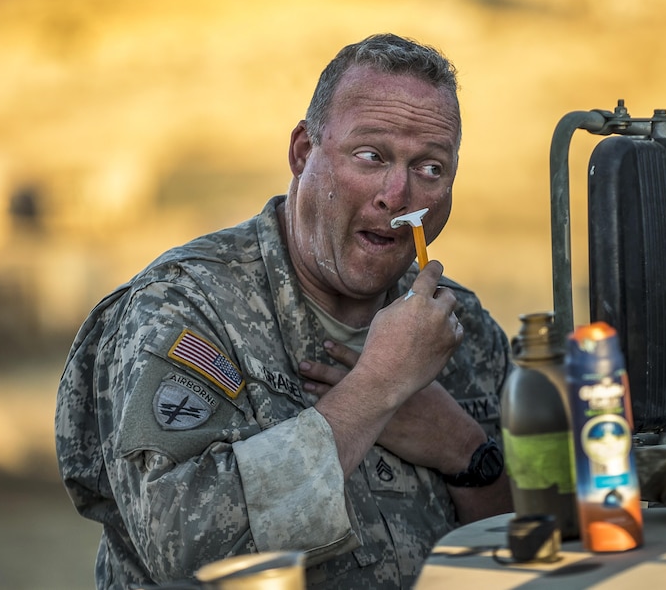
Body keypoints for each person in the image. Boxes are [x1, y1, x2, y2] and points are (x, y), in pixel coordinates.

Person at [55, 33, 513, 589]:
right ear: (302, 152)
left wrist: (468, 454)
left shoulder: (461, 329)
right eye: (371, 156)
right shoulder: (184, 307)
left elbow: (546, 544)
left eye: (431, 168)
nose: (399, 195)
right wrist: (377, 389)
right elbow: (186, 554)